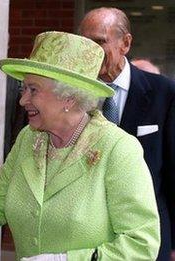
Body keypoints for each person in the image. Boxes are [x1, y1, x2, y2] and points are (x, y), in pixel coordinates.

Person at [0, 31, 161, 260]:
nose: (22, 100)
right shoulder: (29, 138)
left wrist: (66, 259)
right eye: (23, 88)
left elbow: (141, 242)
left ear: (68, 97)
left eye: (33, 90)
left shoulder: (117, 148)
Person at [79, 7, 175, 260]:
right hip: (87, 236)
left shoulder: (163, 92)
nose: (91, 50)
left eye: (99, 41)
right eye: (85, 42)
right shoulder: (71, 94)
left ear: (125, 43)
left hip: (147, 236)